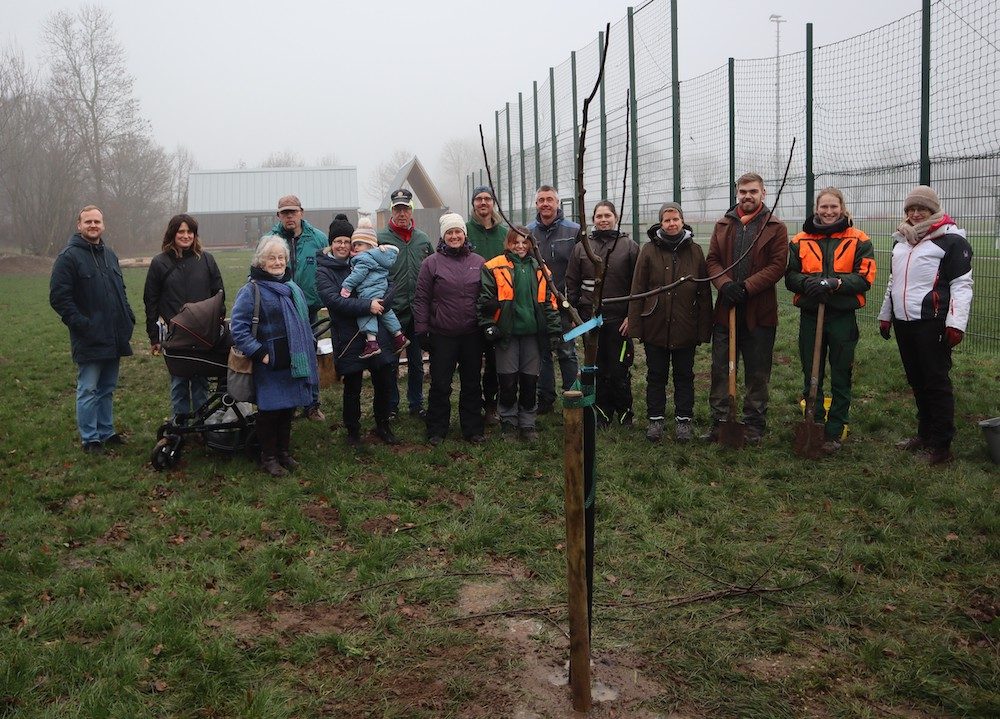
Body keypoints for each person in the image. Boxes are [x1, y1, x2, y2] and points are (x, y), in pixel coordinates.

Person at [877, 185, 973, 466]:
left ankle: (942, 445)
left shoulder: (952, 241)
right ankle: (925, 434)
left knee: (936, 382)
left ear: (933, 211)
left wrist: (956, 324)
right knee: (916, 381)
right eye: (911, 209)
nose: (916, 214)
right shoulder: (901, 241)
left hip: (933, 323)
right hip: (904, 322)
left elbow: (962, 285)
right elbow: (894, 283)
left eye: (922, 209)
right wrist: (886, 315)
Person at [786, 188, 876, 453]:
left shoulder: (859, 239)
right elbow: (790, 275)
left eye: (833, 207)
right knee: (811, 373)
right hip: (811, 316)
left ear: (842, 208)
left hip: (842, 317)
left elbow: (865, 278)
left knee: (841, 373)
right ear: (816, 208)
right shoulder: (800, 240)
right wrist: (807, 283)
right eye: (823, 207)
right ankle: (813, 421)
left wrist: (836, 282)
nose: (828, 212)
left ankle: (835, 430)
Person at [705, 172, 789, 444]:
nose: (747, 196)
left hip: (759, 311)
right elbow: (713, 260)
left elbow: (777, 265)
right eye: (743, 191)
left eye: (753, 191)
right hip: (726, 308)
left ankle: (754, 424)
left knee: (757, 370)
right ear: (736, 193)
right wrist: (725, 285)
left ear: (763, 193)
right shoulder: (722, 225)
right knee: (720, 368)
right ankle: (720, 421)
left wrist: (747, 287)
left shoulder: (775, 227)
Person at [49, 206, 136, 453]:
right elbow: (59, 298)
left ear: (103, 225)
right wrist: (82, 324)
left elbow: (121, 291)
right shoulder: (68, 257)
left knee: (107, 389)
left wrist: (127, 317)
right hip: (89, 337)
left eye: (97, 221)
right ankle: (90, 438)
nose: (93, 225)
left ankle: (106, 431)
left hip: (115, 335)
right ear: (79, 225)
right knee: (88, 389)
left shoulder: (110, 255)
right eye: (88, 221)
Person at [230, 235, 318, 477]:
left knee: (288, 409)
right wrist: (260, 354)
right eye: (272, 258)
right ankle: (268, 457)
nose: (278, 262)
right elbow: (238, 328)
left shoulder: (292, 289)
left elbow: (303, 323)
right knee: (269, 413)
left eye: (281, 257)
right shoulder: (251, 291)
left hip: (292, 361)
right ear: (261, 262)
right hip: (268, 364)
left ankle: (283, 453)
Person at [628, 202, 712, 442]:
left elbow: (704, 292)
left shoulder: (695, 250)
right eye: (667, 220)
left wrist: (704, 328)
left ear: (682, 221)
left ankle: (683, 420)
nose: (672, 223)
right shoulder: (649, 250)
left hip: (686, 326)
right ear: (660, 223)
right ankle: (655, 420)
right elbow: (638, 288)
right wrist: (636, 324)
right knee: (656, 375)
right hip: (655, 325)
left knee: (684, 375)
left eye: (675, 219)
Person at [316, 214, 399, 447]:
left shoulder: (368, 259)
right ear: (331, 244)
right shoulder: (325, 271)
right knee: (352, 386)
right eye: (338, 241)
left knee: (384, 381)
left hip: (376, 334)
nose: (343, 246)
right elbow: (334, 301)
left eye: (347, 241)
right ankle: (353, 432)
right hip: (348, 336)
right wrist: (368, 305)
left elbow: (388, 285)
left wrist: (384, 301)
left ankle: (383, 425)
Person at [478, 228, 561, 441]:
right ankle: (508, 420)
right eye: (516, 242)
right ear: (508, 243)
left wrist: (554, 331)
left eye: (525, 242)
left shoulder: (541, 269)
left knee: (529, 381)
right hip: (507, 334)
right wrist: (488, 324)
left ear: (531, 244)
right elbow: (485, 300)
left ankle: (527, 422)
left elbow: (550, 303)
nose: (521, 246)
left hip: (533, 334)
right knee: (507, 380)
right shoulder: (494, 266)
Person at [414, 212, 486, 445]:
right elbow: (422, 298)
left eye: (458, 232)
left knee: (472, 382)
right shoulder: (430, 263)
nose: (454, 236)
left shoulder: (479, 262)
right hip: (442, 333)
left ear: (464, 235)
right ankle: (436, 429)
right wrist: (422, 329)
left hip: (472, 334)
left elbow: (486, 297)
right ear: (443, 236)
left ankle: (473, 429)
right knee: (440, 383)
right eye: (450, 233)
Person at [143, 213, 224, 421]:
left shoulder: (206, 260)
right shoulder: (159, 263)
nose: (186, 236)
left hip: (202, 332)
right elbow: (150, 302)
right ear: (172, 233)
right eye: (181, 231)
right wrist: (154, 337)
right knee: (178, 382)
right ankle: (179, 425)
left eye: (190, 232)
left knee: (201, 381)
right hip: (175, 334)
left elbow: (219, 294)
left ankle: (202, 423)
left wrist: (217, 323)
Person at [565, 200, 639, 428]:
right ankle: (602, 413)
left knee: (619, 369)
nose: (603, 219)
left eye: (608, 215)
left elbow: (639, 285)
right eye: (599, 216)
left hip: (620, 322)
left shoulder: (629, 246)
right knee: (598, 369)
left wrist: (631, 316)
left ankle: (625, 413)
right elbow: (572, 282)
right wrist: (577, 315)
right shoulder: (582, 247)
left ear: (615, 217)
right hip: (591, 323)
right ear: (593, 219)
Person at [271, 194, 327, 421]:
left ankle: (312, 403)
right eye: (285, 213)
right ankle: (290, 402)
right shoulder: (271, 240)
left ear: (301, 212)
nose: (289, 216)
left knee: (310, 356)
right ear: (278, 216)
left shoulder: (318, 239)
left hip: (309, 309)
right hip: (280, 309)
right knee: (286, 356)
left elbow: (329, 270)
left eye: (293, 212)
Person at [378, 188, 434, 418]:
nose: (402, 213)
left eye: (406, 209)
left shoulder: (422, 239)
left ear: (412, 211)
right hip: (392, 310)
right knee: (391, 361)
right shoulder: (381, 239)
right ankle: (391, 405)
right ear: (392, 211)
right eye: (398, 209)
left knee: (416, 362)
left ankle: (416, 404)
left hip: (417, 309)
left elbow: (432, 267)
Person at [528, 185, 581, 413]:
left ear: (558, 203)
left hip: (565, 305)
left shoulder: (574, 230)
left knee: (567, 352)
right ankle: (545, 398)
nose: (545, 204)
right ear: (536, 204)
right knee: (542, 354)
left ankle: (572, 396)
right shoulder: (528, 233)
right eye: (541, 200)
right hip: (538, 305)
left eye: (550, 199)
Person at [467, 185, 509, 425]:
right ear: (473, 204)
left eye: (487, 198)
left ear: (493, 203)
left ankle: (492, 404)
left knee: (495, 362)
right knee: (473, 362)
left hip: (498, 308)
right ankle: (473, 405)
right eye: (478, 199)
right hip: (469, 307)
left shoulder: (503, 233)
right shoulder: (463, 231)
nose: (483, 202)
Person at [338, 217, 410, 359]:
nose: (356, 247)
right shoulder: (379, 257)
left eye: (359, 244)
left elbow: (358, 274)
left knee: (365, 313)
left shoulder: (363, 258)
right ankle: (399, 336)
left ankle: (372, 343)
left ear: (370, 245)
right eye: (355, 244)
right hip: (381, 289)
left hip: (368, 291)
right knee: (386, 312)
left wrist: (347, 286)